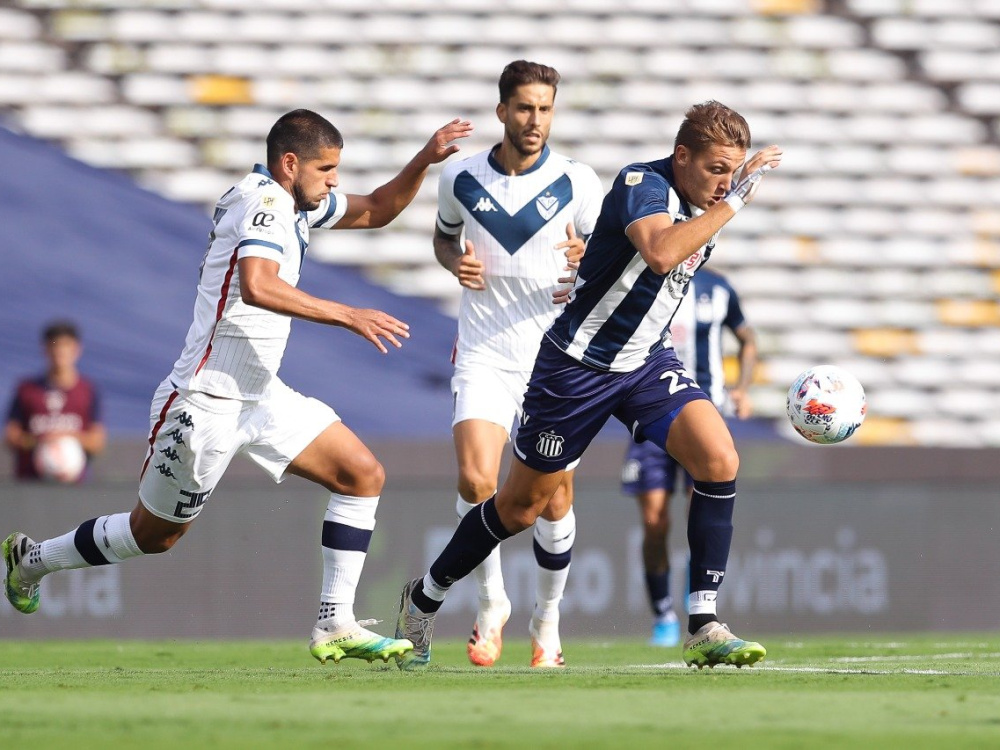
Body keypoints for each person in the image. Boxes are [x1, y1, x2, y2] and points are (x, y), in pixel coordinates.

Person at [3, 109, 472, 667]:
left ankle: (334, 622)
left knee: (361, 474)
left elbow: (377, 210)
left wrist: (424, 157)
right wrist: (347, 314)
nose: (334, 182)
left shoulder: (293, 203)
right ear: (289, 163)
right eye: (326, 169)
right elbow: (256, 285)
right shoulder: (266, 203)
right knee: (153, 535)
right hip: (205, 400)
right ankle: (33, 559)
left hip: (259, 393)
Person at [396, 100, 783, 670]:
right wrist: (737, 198)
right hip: (576, 368)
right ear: (682, 157)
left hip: (646, 364)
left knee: (719, 459)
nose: (724, 182)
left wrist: (719, 198)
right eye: (716, 169)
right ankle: (423, 596)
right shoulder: (641, 183)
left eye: (733, 170)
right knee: (521, 508)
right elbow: (659, 253)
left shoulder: (702, 199)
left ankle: (702, 621)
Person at [433, 60, 604, 668]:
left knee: (551, 502)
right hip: (483, 351)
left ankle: (547, 620)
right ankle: (490, 603)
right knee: (478, 482)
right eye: (525, 108)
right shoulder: (458, 176)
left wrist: (589, 255)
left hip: (554, 361)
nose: (536, 121)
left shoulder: (578, 181)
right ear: (502, 110)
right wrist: (455, 262)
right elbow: (444, 238)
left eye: (546, 109)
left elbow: (607, 257)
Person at [620, 266, 757, 647]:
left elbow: (747, 338)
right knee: (654, 520)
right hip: (650, 410)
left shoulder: (718, 287)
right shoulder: (647, 273)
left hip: (704, 413)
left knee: (700, 508)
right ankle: (662, 613)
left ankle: (698, 601)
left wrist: (742, 388)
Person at [5, 321, 106, 482]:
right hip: (30, 484)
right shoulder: (26, 389)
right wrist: (39, 440)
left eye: (65, 345)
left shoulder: (88, 390)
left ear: (77, 349)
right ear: (44, 349)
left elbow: (96, 442)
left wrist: (67, 437)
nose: (59, 351)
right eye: (54, 345)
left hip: (75, 486)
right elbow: (11, 437)